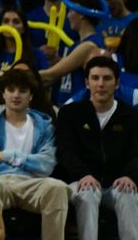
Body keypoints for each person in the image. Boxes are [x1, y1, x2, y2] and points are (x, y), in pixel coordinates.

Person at [0, 69, 71, 238]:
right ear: (3, 94)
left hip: (31, 183)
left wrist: (6, 156)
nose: (16, 95)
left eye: (22, 91)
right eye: (11, 90)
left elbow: (46, 164)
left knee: (58, 188)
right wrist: (27, 162)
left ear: (30, 96)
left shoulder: (44, 126)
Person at [56, 56, 138, 240]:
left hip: (115, 184)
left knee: (128, 193)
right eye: (95, 78)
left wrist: (130, 175)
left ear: (117, 83)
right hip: (79, 181)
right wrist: (82, 174)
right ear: (87, 83)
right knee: (88, 193)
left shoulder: (131, 117)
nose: (100, 84)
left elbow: (137, 153)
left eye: (107, 78)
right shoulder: (70, 113)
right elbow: (65, 151)